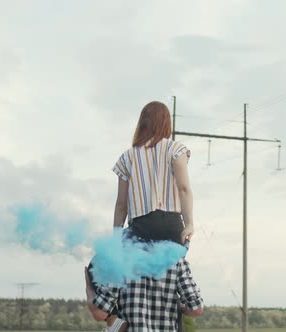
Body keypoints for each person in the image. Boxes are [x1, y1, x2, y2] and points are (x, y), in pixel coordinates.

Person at [85, 101, 203, 331]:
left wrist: (116, 241)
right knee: (171, 276)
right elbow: (184, 189)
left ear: (142, 124)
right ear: (166, 123)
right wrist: (189, 223)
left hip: (140, 228)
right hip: (171, 228)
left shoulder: (128, 157)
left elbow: (121, 205)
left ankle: (114, 321)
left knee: (95, 269)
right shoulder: (176, 149)